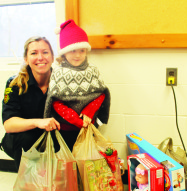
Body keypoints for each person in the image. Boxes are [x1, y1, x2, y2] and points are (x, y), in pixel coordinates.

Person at [43, 19, 110, 149]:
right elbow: (55, 102)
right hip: (65, 130)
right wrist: (76, 120)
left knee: (87, 164)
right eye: (73, 51)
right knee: (68, 166)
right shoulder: (58, 72)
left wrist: (89, 112)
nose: (78, 55)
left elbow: (101, 94)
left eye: (82, 51)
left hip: (88, 128)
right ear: (64, 52)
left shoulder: (92, 70)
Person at [1, 36, 59, 171]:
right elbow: (9, 124)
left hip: (54, 136)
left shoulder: (63, 80)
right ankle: (28, 185)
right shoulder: (14, 83)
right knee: (24, 138)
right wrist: (37, 122)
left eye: (45, 52)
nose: (40, 57)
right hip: (25, 138)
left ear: (52, 57)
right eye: (34, 53)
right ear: (26, 59)